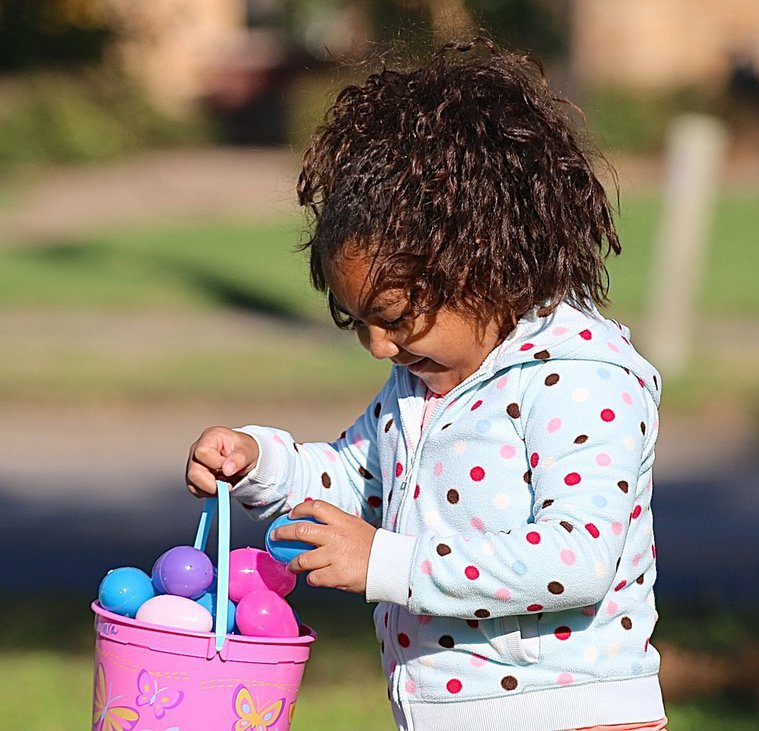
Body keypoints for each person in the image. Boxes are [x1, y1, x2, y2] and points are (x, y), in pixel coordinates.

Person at [185, 37, 667, 731]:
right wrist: (260, 463)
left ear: (486, 262)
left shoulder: (579, 377)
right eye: (356, 321)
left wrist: (386, 561)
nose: (379, 345)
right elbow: (358, 478)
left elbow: (578, 555)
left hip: (566, 714)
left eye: (395, 317)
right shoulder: (421, 382)